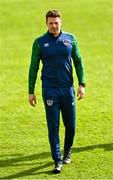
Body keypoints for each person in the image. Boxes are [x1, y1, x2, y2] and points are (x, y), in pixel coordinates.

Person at [28, 9, 86, 174]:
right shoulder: (39, 42)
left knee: (71, 126)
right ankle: (57, 160)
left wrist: (82, 84)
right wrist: (31, 91)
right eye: (51, 23)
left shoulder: (70, 39)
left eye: (56, 23)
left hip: (68, 89)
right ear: (46, 24)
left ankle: (68, 150)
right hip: (50, 90)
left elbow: (79, 62)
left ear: (61, 22)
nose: (54, 26)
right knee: (53, 127)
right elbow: (33, 67)